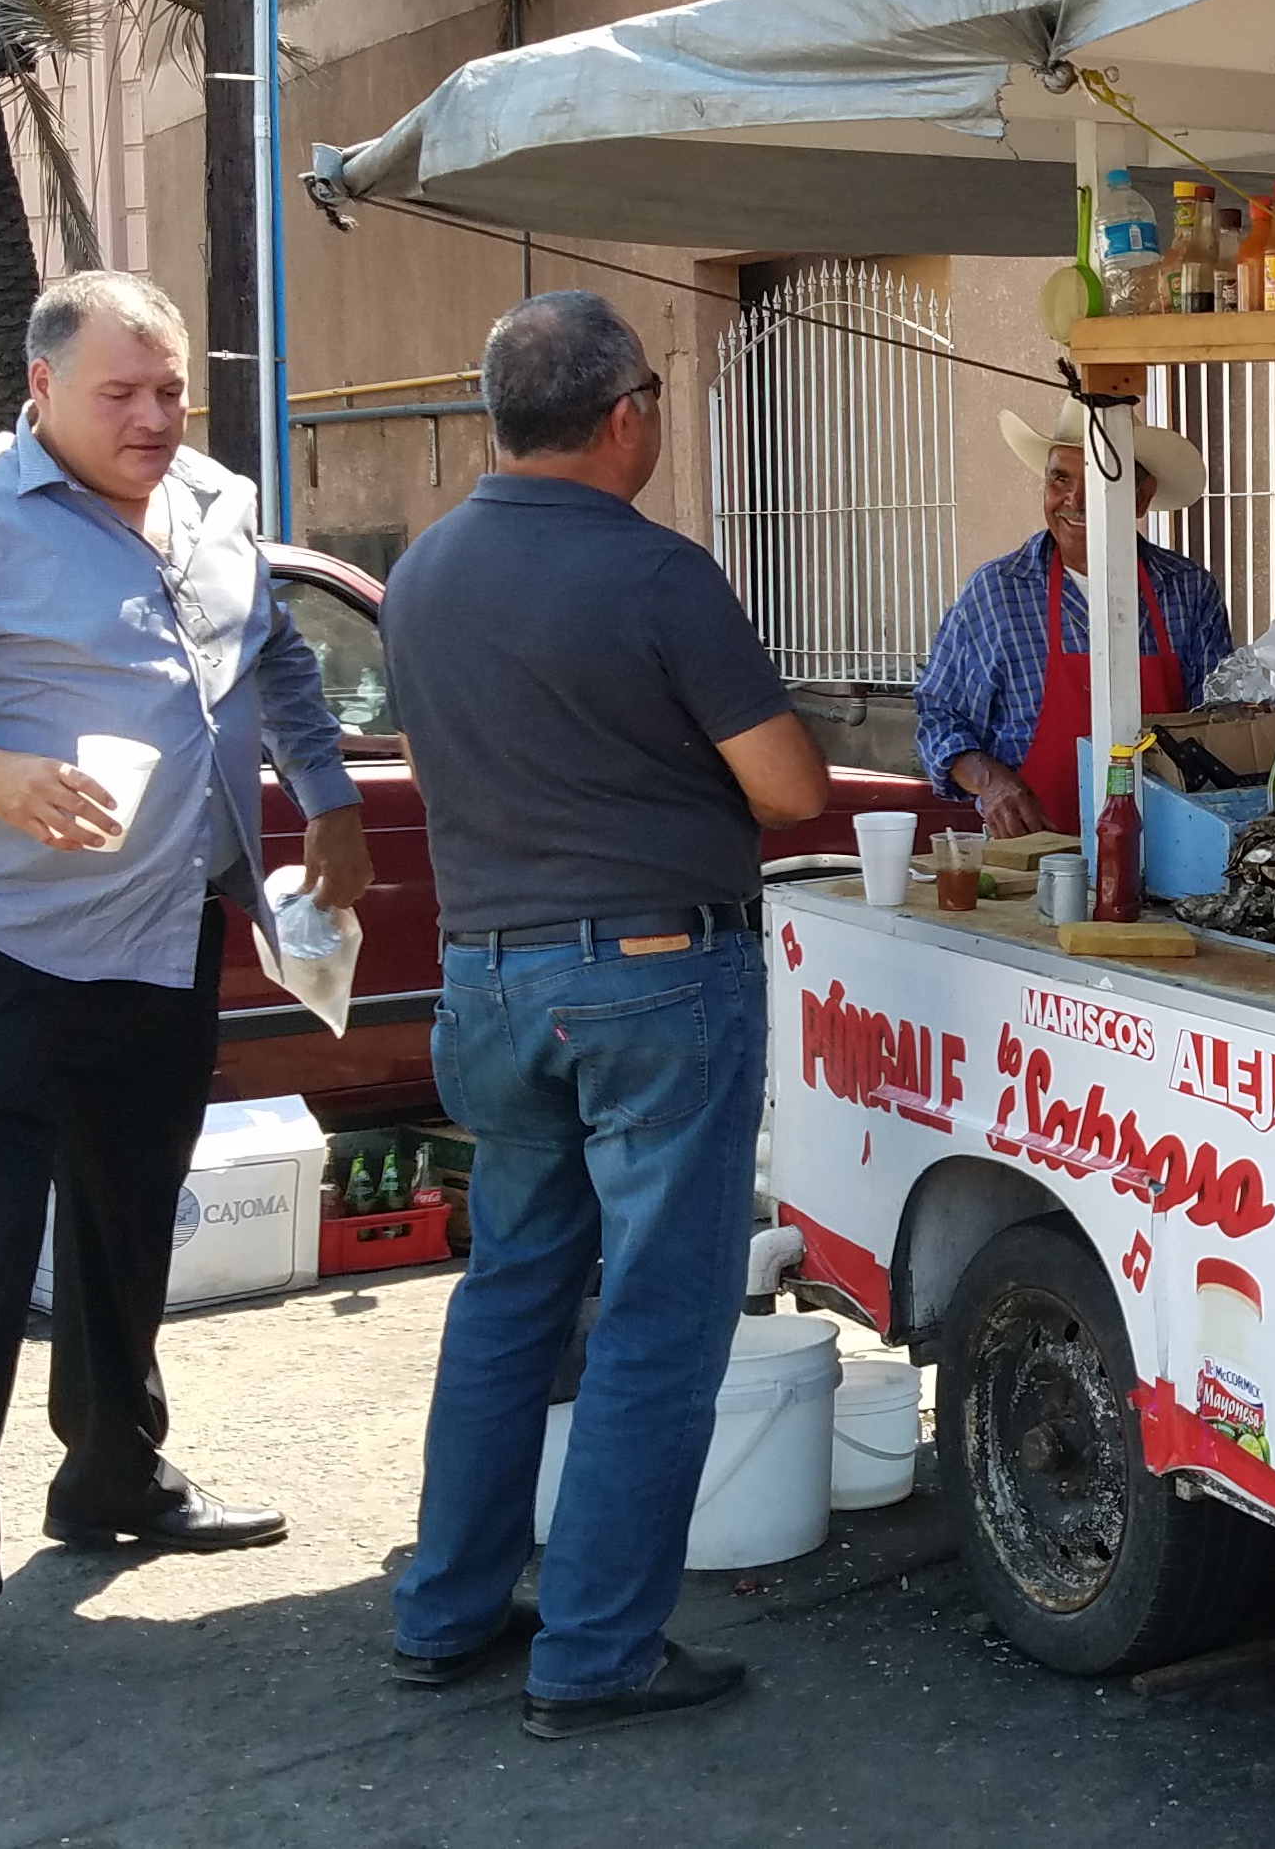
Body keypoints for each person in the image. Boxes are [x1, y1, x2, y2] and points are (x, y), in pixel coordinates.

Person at [0, 270, 371, 1734]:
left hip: (162, 933)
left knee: (124, 1229)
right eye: (124, 394)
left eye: (172, 392)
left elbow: (275, 652)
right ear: (41, 391)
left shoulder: (217, 502)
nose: (157, 417)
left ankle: (113, 1480)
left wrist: (329, 795)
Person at [378, 292, 830, 1740]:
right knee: (653, 1318)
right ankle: (597, 1650)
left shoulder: (422, 572)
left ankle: (446, 1612)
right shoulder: (657, 576)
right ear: (627, 414)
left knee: (512, 1292)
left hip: (488, 981)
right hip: (646, 982)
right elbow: (793, 791)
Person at [913, 399, 1231, 839]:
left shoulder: (1187, 590)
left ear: (1142, 497)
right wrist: (991, 783)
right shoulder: (997, 591)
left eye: (1099, 481)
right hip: (1033, 854)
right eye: (1060, 478)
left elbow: (1219, 724)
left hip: (1167, 848)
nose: (1074, 501)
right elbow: (939, 717)